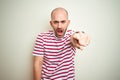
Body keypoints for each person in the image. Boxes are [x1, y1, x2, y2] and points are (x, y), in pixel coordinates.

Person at [33, 7, 90, 80]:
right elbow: (37, 64)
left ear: (68, 23)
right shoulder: (42, 38)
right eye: (56, 22)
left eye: (63, 22)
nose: (59, 26)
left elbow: (74, 38)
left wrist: (82, 38)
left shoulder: (71, 35)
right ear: (51, 23)